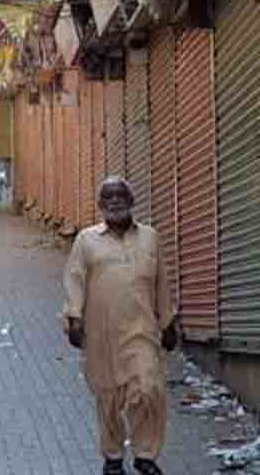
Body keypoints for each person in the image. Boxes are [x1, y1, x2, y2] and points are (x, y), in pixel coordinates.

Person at [63, 176, 178, 475]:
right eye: (109, 197)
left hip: (141, 331)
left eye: (120, 195)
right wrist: (74, 318)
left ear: (132, 201)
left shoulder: (150, 237)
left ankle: (145, 454)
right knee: (108, 397)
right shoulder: (86, 240)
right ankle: (113, 456)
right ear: (100, 204)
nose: (115, 201)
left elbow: (162, 283)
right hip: (100, 333)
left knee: (148, 388)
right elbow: (75, 279)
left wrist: (168, 321)